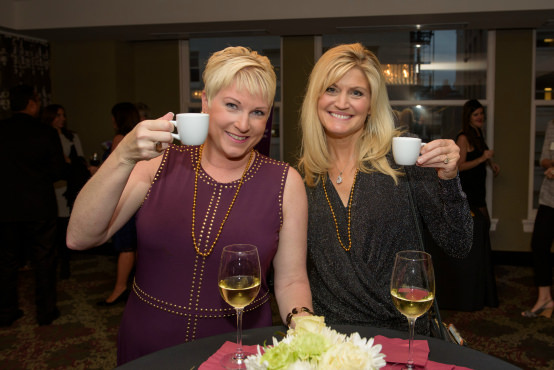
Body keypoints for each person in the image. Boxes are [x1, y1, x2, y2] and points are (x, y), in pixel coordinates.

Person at [67, 46, 312, 364]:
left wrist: (302, 322)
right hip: (149, 346)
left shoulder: (285, 181)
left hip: (241, 350)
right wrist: (124, 155)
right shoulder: (156, 164)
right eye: (232, 105)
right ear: (206, 103)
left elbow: (291, 278)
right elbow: (80, 237)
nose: (243, 124)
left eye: (258, 112)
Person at [297, 43, 472, 335]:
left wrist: (449, 179)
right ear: (315, 97)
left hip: (402, 339)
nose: (342, 103)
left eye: (356, 93)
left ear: (371, 104)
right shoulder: (301, 180)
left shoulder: (404, 163)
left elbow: (459, 243)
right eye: (331, 89)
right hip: (330, 347)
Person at [0, 85, 66, 326]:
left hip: (4, 206)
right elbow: (59, 171)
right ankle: (46, 311)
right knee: (44, 258)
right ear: (30, 103)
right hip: (39, 205)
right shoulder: (45, 132)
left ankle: (6, 311)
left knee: (6, 261)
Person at [452, 99, 499, 309]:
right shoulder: (463, 137)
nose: (480, 118)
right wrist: (482, 160)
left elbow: (481, 155)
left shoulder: (478, 134)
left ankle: (483, 280)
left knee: (483, 231)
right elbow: (459, 166)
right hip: (468, 194)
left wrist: (491, 163)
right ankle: (474, 284)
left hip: (479, 192)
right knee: (477, 233)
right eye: (476, 115)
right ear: (468, 117)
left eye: (481, 114)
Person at [96, 102, 141, 306]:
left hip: (123, 198)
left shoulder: (120, 139)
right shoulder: (137, 140)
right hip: (137, 196)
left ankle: (120, 288)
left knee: (125, 245)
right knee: (135, 244)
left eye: (113, 117)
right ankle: (137, 285)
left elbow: (113, 173)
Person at [41, 104, 90, 279]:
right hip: (53, 186)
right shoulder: (44, 136)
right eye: (58, 115)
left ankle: (65, 263)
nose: (62, 118)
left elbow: (79, 160)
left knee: (66, 223)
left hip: (69, 185)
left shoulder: (72, 137)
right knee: (54, 225)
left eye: (63, 115)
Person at [522, 118, 554, 318]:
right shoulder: (552, 123)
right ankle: (545, 298)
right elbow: (543, 159)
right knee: (539, 244)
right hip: (549, 197)